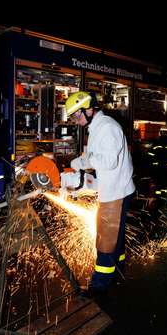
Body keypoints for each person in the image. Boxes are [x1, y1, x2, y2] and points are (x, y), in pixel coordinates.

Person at [65, 91, 135, 298]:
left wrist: (83, 161)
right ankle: (119, 268)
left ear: (88, 109)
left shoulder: (107, 128)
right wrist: (84, 163)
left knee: (106, 239)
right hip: (114, 188)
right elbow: (100, 159)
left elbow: (108, 162)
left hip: (116, 192)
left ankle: (99, 286)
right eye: (73, 118)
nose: (76, 122)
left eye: (77, 117)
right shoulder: (97, 127)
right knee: (116, 236)